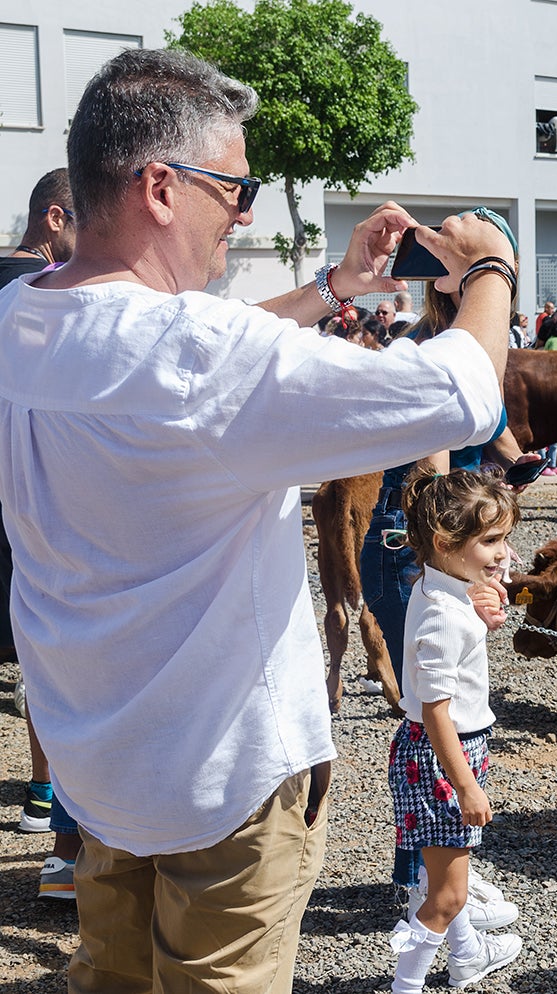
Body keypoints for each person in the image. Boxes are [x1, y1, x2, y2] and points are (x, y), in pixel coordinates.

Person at [0, 48, 515, 992]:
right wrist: (490, 265)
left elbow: (172, 362)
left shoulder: (19, 318)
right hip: (223, 783)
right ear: (161, 186)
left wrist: (332, 290)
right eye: (234, 188)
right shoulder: (199, 352)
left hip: (98, 766)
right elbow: (466, 393)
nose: (241, 213)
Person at [386, 469, 524, 991]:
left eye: (504, 538)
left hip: (438, 752)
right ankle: (407, 986)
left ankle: (466, 956)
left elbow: (463, 610)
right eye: (490, 540)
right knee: (446, 897)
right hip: (444, 755)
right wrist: (465, 783)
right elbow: (437, 710)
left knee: (444, 876)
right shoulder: (444, 615)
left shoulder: (442, 584)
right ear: (445, 542)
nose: (503, 553)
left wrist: (482, 607)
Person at [2, 168, 82, 897]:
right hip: (27, 499)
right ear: (54, 219)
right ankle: (46, 804)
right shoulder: (48, 293)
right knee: (51, 652)